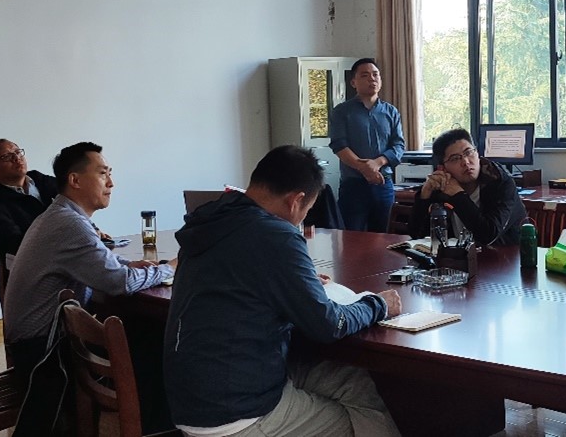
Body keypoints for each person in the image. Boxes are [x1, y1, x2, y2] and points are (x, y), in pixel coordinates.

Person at [164, 145, 402, 437]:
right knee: (353, 421)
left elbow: (240, 279)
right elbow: (329, 324)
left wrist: (296, 282)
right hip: (235, 413)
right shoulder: (276, 234)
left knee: (351, 379)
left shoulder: (216, 220)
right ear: (296, 200)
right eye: (307, 211)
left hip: (193, 396)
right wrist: (377, 304)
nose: (302, 219)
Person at [3, 142, 174, 381]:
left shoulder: (61, 215)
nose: (111, 183)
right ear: (75, 180)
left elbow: (98, 259)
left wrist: (127, 265)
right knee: (160, 340)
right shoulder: (69, 223)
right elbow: (119, 283)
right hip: (43, 356)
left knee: (143, 328)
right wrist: (170, 268)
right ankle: (135, 405)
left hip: (39, 344)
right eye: (103, 174)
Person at [410, 128, 525, 246]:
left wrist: (458, 195)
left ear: (477, 153)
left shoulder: (500, 182)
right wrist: (424, 195)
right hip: (458, 256)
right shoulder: (441, 186)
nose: (465, 162)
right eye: (455, 158)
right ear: (442, 168)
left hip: (505, 254)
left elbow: (488, 235)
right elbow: (416, 236)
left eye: (469, 152)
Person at [329, 58, 405, 232]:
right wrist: (364, 168)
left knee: (383, 237)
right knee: (351, 238)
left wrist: (377, 163)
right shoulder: (341, 112)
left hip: (383, 184)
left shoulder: (391, 111)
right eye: (365, 75)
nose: (372, 79)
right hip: (353, 186)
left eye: (375, 74)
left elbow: (399, 145)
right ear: (353, 82)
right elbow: (339, 145)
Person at [0, 139, 59, 260]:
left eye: (18, 152)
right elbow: (17, 248)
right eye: (6, 156)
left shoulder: (45, 182)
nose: (16, 158)